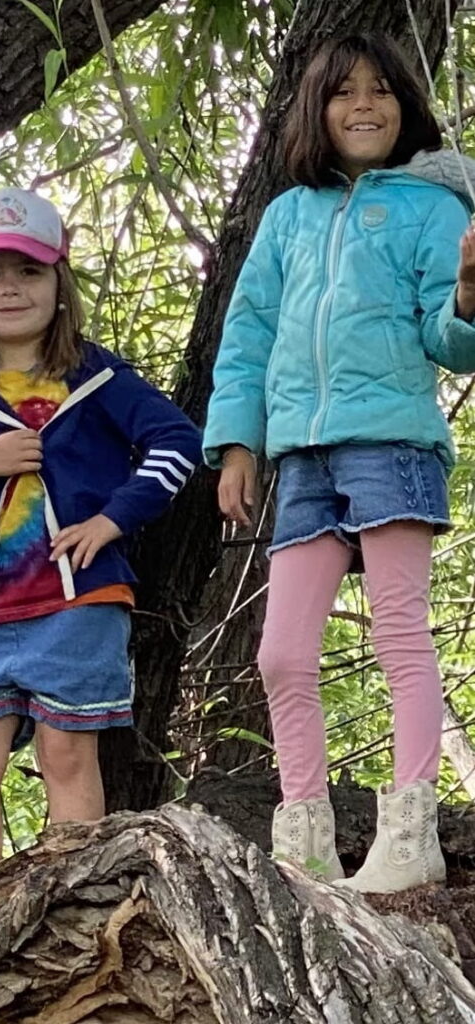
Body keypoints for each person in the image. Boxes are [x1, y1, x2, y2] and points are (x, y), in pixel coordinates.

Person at [203, 34, 475, 894]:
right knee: (281, 654)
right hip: (301, 457)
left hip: (392, 440)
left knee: (397, 629)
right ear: (314, 110)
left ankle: (410, 832)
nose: (363, 105)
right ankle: (305, 842)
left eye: (380, 90)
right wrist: (237, 444)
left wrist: (469, 297)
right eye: (343, 91)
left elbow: (448, 339)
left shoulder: (432, 208)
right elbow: (248, 335)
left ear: (405, 106)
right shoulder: (289, 214)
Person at [0, 187, 201, 891]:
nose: (10, 288)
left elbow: (177, 441)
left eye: (29, 271)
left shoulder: (98, 377)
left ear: (59, 283)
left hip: (76, 602)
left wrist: (112, 519)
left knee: (67, 754)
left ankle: (71, 909)